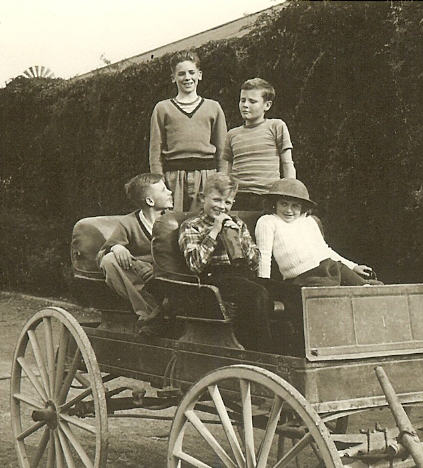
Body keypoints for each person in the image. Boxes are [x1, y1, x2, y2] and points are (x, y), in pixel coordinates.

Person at [178, 173, 273, 352]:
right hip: (214, 277)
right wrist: (214, 232)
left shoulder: (237, 223)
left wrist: (240, 239)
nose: (222, 207)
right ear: (202, 198)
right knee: (256, 294)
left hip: (243, 274)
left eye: (227, 202)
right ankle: (261, 355)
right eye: (217, 200)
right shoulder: (192, 226)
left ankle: (291, 353)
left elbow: (254, 263)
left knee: (288, 292)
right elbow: (195, 265)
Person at [255, 178, 382, 287]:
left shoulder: (308, 221)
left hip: (329, 267)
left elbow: (325, 250)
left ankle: (364, 287)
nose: (289, 210)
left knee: (367, 287)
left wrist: (353, 266)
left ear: (302, 207)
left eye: (295, 206)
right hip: (303, 277)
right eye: (283, 204)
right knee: (330, 289)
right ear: (274, 204)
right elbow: (263, 255)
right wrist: (264, 284)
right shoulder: (268, 221)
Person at [149, 50, 227, 212]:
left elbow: (223, 150)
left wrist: (221, 179)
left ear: (200, 75)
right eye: (181, 74)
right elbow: (155, 150)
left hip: (207, 175)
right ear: (173, 78)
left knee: (206, 222)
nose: (187, 78)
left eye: (191, 72)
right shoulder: (163, 108)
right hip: (174, 177)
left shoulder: (213, 107)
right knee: (172, 225)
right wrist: (159, 181)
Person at [96, 173, 173, 336]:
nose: (170, 192)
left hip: (167, 277)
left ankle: (168, 312)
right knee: (110, 260)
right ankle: (151, 315)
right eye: (163, 190)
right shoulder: (129, 223)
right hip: (142, 280)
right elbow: (101, 255)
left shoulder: (173, 221)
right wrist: (116, 247)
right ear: (150, 201)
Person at [219, 78, 295, 211]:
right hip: (238, 197)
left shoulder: (276, 126)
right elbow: (226, 172)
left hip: (267, 196)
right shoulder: (232, 134)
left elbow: (287, 164)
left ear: (267, 105)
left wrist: (290, 194)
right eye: (242, 100)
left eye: (252, 101)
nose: (245, 105)